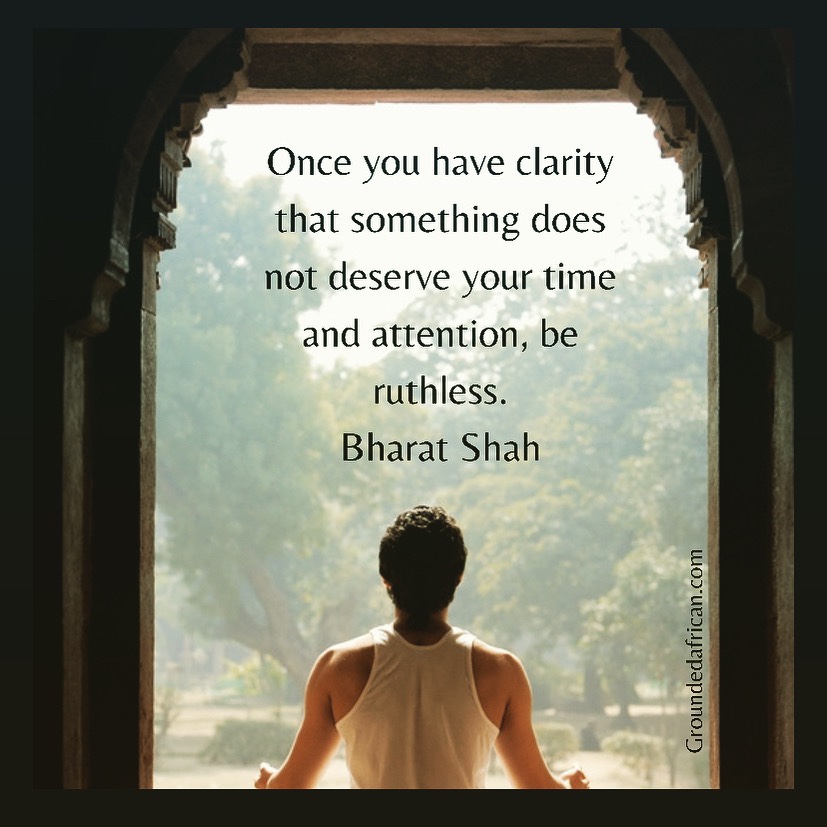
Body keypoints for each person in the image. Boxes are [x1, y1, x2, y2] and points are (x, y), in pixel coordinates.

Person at [254, 504, 590, 790]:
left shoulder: (337, 667)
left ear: (385, 577)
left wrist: (269, 782)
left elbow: (288, 789)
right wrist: (570, 787)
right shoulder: (501, 672)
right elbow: (540, 791)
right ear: (458, 576)